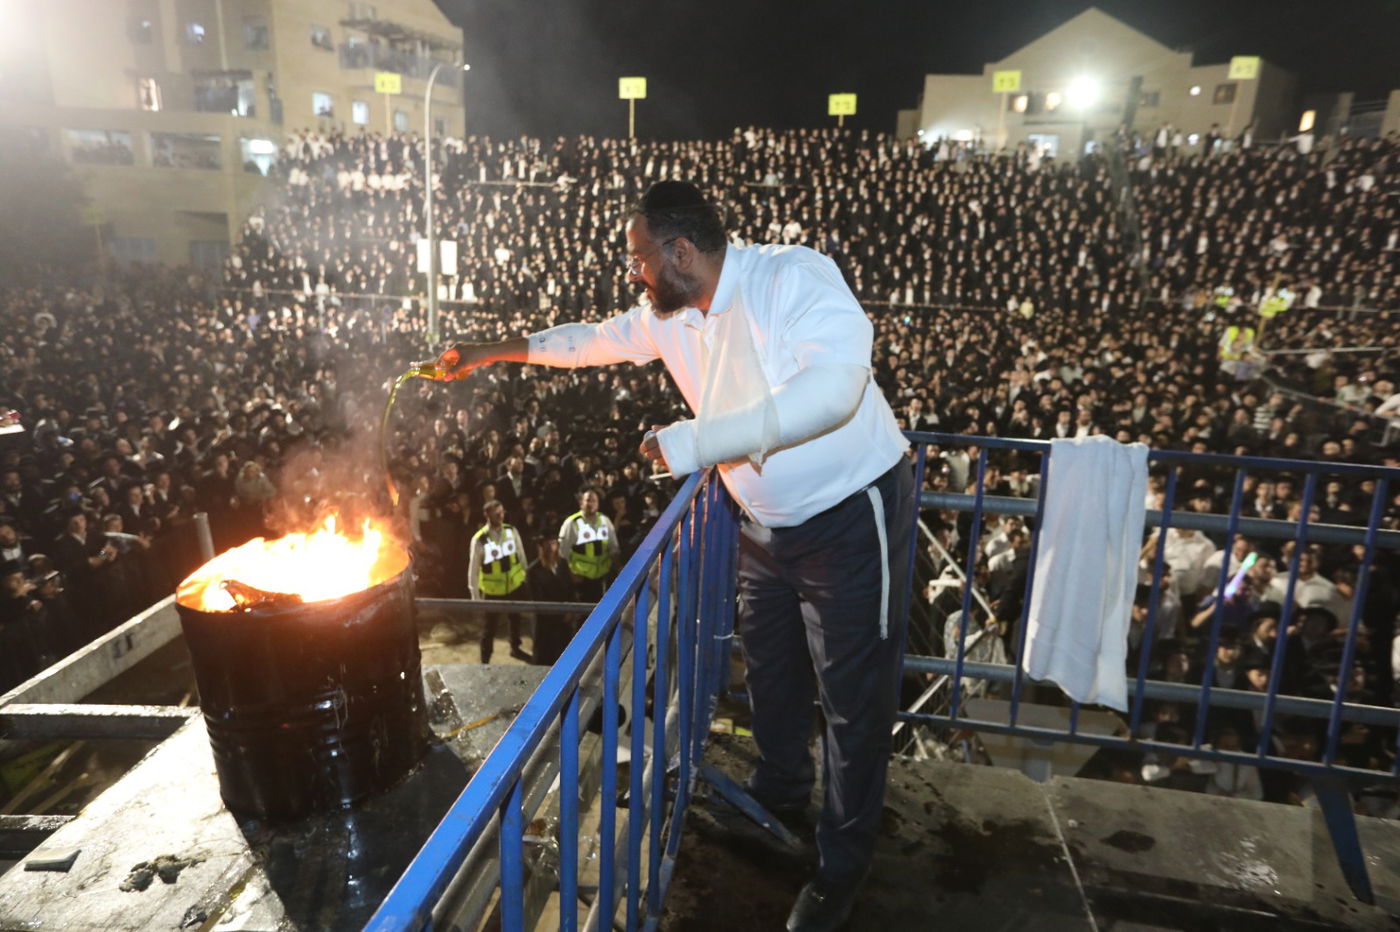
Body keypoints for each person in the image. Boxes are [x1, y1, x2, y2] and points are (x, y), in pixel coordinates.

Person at [434, 180, 915, 932]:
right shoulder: (675, 317)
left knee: (853, 701)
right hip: (761, 525)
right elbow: (589, 340)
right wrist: (495, 351)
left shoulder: (790, 276)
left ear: (681, 251)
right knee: (774, 672)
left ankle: (840, 869)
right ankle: (782, 790)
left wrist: (692, 444)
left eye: (640, 259)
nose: (635, 275)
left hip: (850, 518)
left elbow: (835, 391)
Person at [466, 499, 531, 663]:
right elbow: (473, 570)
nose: (501, 516)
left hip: (514, 586)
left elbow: (521, 556)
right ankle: (485, 658)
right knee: (489, 628)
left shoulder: (511, 531)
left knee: (515, 619)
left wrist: (525, 576)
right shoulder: (479, 539)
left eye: (502, 513)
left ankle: (515, 647)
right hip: (492, 591)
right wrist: (475, 597)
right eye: (496, 514)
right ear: (487, 515)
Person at [557, 486, 619, 602]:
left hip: (603, 578)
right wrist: (570, 576)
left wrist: (617, 571)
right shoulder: (571, 523)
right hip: (581, 579)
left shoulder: (605, 521)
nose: (590, 503)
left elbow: (614, 549)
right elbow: (562, 554)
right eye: (587, 500)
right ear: (581, 502)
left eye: (594, 501)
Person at [527, 535, 578, 666]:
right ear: (541, 547)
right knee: (545, 662)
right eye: (547, 544)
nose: (551, 548)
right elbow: (538, 600)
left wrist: (571, 612)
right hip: (546, 625)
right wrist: (561, 615)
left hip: (565, 625)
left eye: (554, 544)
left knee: (565, 660)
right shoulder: (533, 571)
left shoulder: (563, 564)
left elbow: (571, 590)